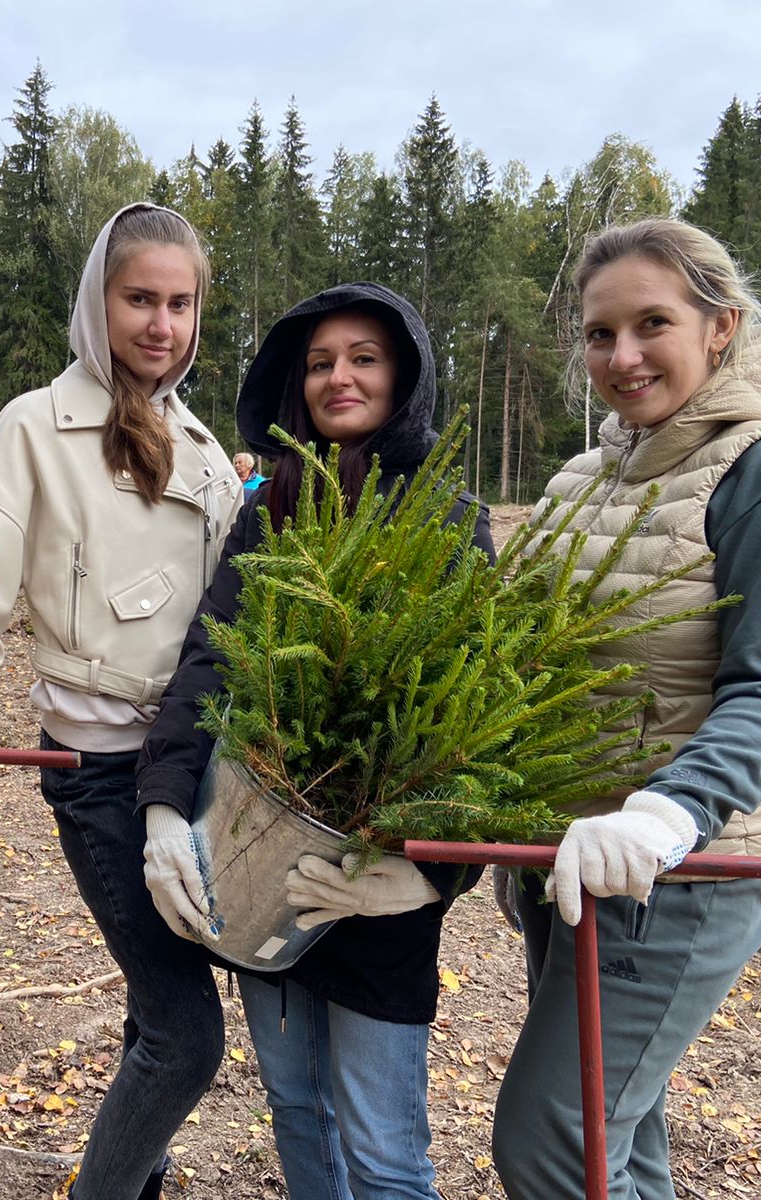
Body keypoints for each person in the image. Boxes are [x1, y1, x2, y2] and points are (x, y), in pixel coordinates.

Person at [465, 219, 761, 1199]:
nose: (621, 356)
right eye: (598, 334)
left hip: (683, 872)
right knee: (618, 1143)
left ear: (719, 327)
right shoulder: (585, 477)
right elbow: (519, 657)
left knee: (552, 1141)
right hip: (567, 860)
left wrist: (663, 815)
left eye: (651, 324)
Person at [0, 203, 243, 1200]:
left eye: (180, 304)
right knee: (184, 1039)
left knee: (153, 1013)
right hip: (98, 774)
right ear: (98, 302)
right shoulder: (34, 430)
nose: (161, 324)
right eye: (140, 298)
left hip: (200, 773)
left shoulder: (205, 451)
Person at [137, 282, 493, 1200]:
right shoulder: (271, 509)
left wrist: (432, 873)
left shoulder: (448, 517)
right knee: (295, 1106)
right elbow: (208, 660)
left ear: (403, 376)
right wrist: (167, 807)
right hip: (263, 868)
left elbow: (481, 712)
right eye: (321, 361)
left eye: (364, 358)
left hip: (375, 889)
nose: (340, 377)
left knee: (382, 1147)